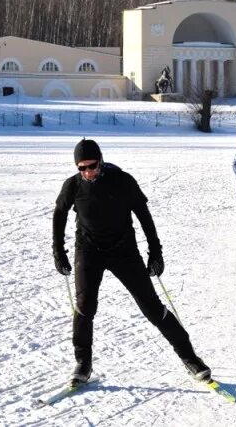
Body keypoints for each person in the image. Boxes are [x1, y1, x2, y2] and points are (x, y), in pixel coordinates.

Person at [52, 139, 211, 386]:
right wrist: (58, 252)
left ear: (101, 161)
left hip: (123, 250)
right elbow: (59, 215)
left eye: (92, 166)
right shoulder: (72, 186)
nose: (87, 172)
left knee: (152, 307)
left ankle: (190, 358)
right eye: (81, 168)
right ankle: (83, 362)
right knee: (84, 307)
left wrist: (155, 251)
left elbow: (144, 216)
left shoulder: (123, 181)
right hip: (89, 251)